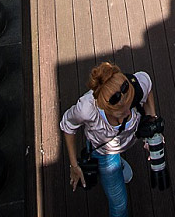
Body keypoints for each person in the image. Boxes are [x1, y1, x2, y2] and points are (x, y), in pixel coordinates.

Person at [60, 62, 161, 217]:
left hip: (126, 140)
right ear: (105, 108)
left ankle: (119, 162)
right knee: (119, 206)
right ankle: (116, 162)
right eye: (121, 113)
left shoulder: (134, 86)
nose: (129, 112)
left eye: (131, 103)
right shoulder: (86, 109)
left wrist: (151, 121)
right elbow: (67, 126)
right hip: (104, 152)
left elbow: (148, 89)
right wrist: (74, 166)